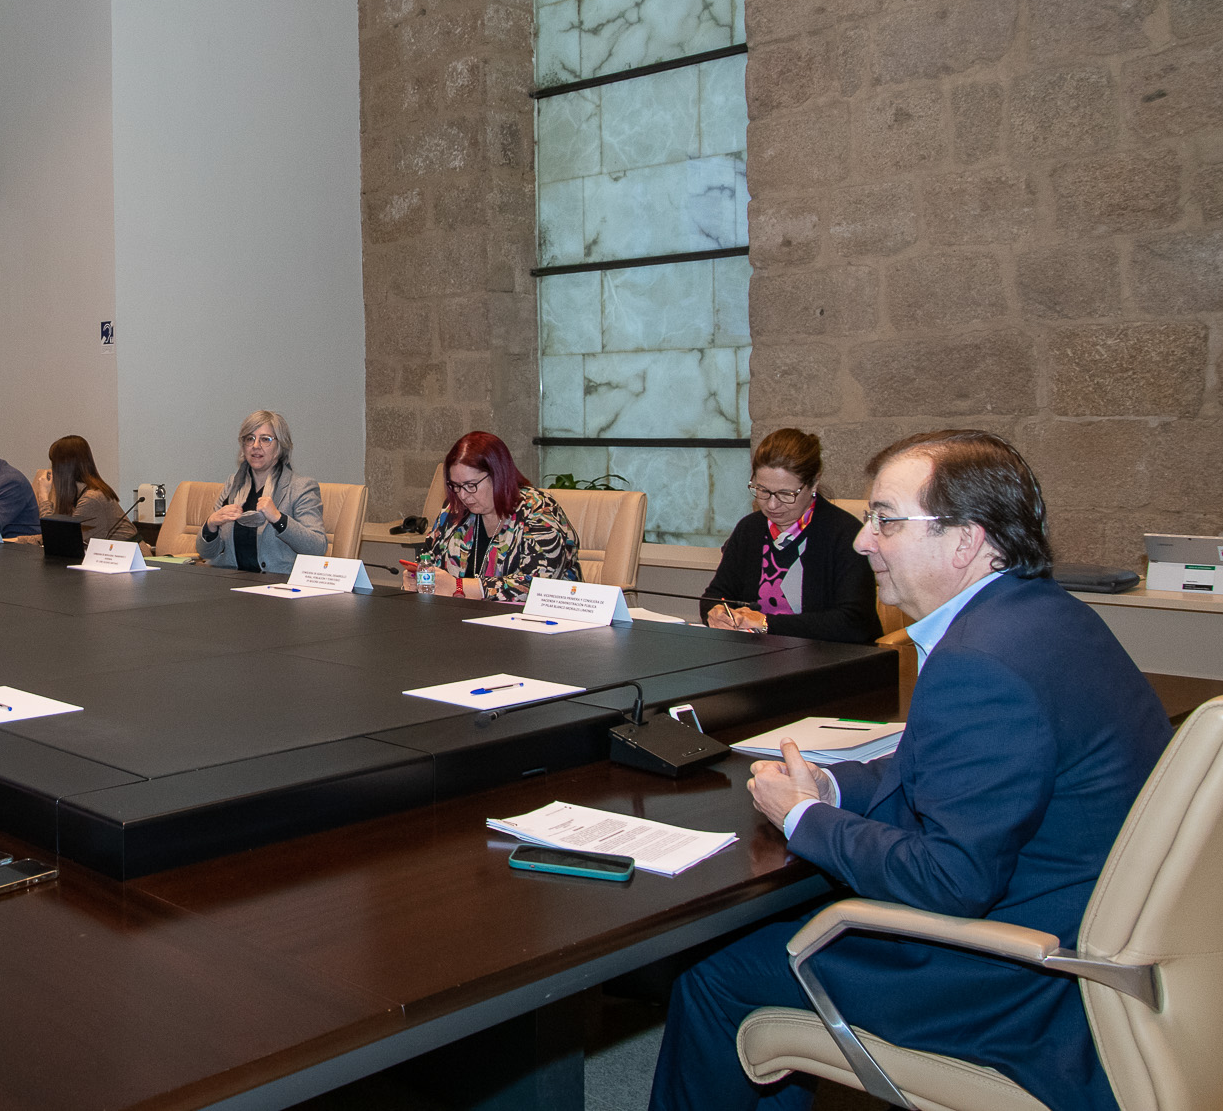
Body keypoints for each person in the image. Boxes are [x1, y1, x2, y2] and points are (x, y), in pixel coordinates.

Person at [647, 431, 1171, 1111]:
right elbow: (944, 764)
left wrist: (805, 818)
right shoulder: (1047, 617)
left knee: (715, 975)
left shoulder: (977, 664)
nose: (863, 542)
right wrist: (834, 785)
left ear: (965, 541)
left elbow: (948, 882)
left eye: (885, 521)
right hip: (1084, 930)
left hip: (1013, 981)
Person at [698, 428, 879, 643]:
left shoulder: (844, 533)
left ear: (813, 483)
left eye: (786, 494)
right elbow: (715, 595)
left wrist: (766, 623)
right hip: (754, 658)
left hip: (825, 660)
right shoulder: (750, 529)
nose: (772, 505)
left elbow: (855, 623)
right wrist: (716, 611)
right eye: (763, 491)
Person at [410, 432, 578, 602]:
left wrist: (459, 586)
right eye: (456, 486)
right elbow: (428, 560)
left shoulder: (539, 511)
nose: (463, 495)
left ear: (498, 475)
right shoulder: (453, 512)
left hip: (537, 622)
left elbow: (537, 586)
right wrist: (418, 578)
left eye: (471, 485)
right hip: (462, 618)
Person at [195, 410, 327, 572]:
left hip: (275, 586)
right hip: (228, 581)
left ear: (280, 446)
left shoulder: (300, 487)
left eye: (265, 439)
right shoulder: (232, 485)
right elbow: (206, 552)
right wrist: (211, 524)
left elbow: (317, 548)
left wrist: (279, 519)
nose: (256, 446)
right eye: (250, 439)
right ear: (243, 447)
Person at [44, 434, 141, 545]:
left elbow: (58, 540)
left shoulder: (91, 499)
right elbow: (59, 534)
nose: (52, 470)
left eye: (54, 465)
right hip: (114, 558)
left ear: (63, 469)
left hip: (132, 559)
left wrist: (43, 497)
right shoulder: (81, 495)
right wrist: (21, 539)